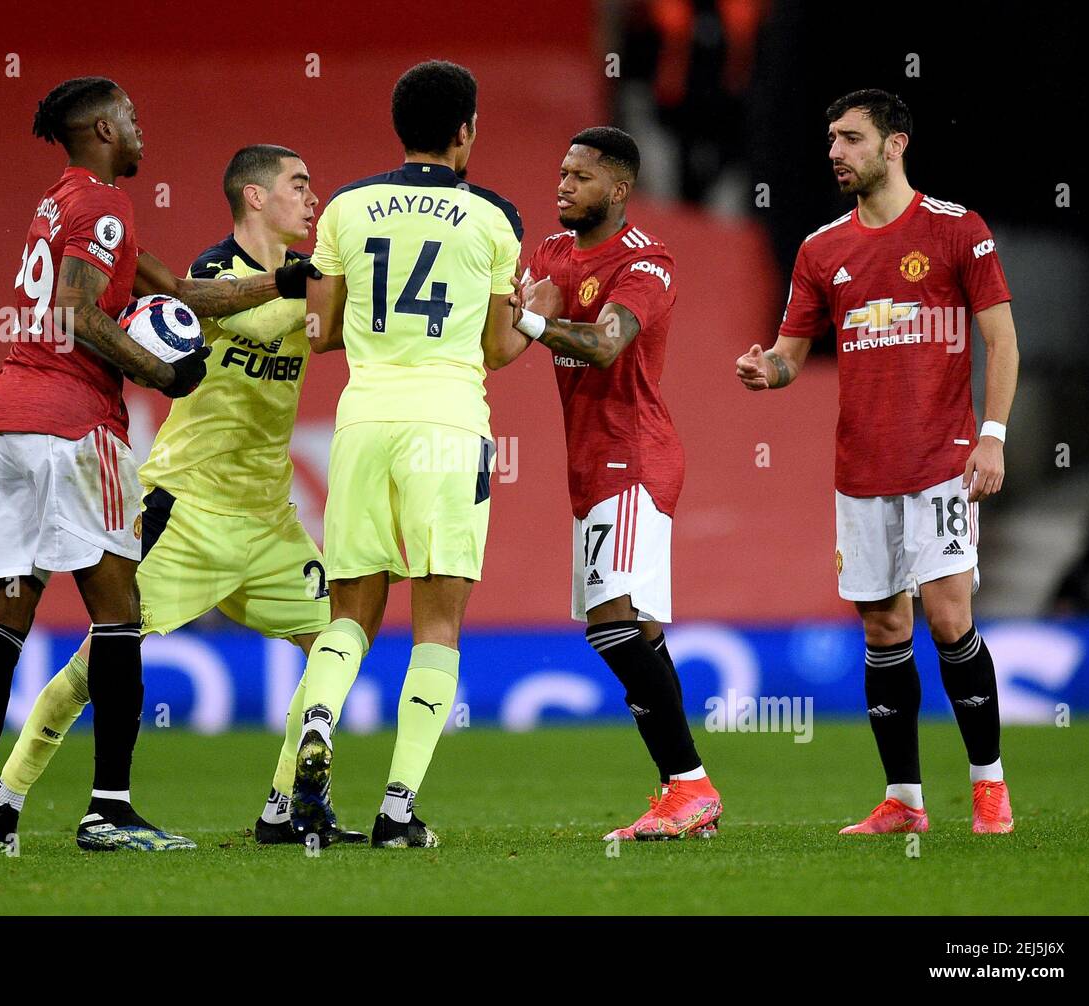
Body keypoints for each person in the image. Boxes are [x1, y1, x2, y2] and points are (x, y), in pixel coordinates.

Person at [0, 78, 313, 854]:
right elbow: (80, 313)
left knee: (5, 615)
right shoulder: (104, 206)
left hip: (6, 421)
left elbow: (180, 290)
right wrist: (156, 371)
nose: (144, 132)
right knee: (119, 619)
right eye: (135, 119)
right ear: (105, 129)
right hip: (75, 430)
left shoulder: (59, 205)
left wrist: (275, 283)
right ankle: (108, 809)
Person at [735, 89, 1019, 834]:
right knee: (884, 630)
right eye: (831, 137)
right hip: (862, 472)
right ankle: (905, 801)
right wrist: (769, 370)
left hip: (943, 461)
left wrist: (992, 434)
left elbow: (1002, 342)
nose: (835, 151)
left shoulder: (959, 231)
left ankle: (988, 785)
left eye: (851, 138)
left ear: (894, 146)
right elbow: (791, 355)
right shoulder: (821, 250)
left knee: (950, 617)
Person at [299, 60, 526, 847]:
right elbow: (497, 348)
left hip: (362, 423)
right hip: (449, 422)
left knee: (349, 615)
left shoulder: (345, 209)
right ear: (467, 130)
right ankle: (397, 809)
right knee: (436, 626)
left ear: (401, 128)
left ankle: (317, 720)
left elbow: (319, 333)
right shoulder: (494, 221)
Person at [513, 127, 721, 840]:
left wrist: (534, 318)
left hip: (633, 456)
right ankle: (681, 794)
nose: (563, 185)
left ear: (620, 190)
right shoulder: (549, 252)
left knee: (612, 621)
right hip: (588, 460)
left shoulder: (647, 263)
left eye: (580, 176)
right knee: (637, 628)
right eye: (561, 172)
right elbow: (517, 329)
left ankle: (690, 785)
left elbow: (604, 343)